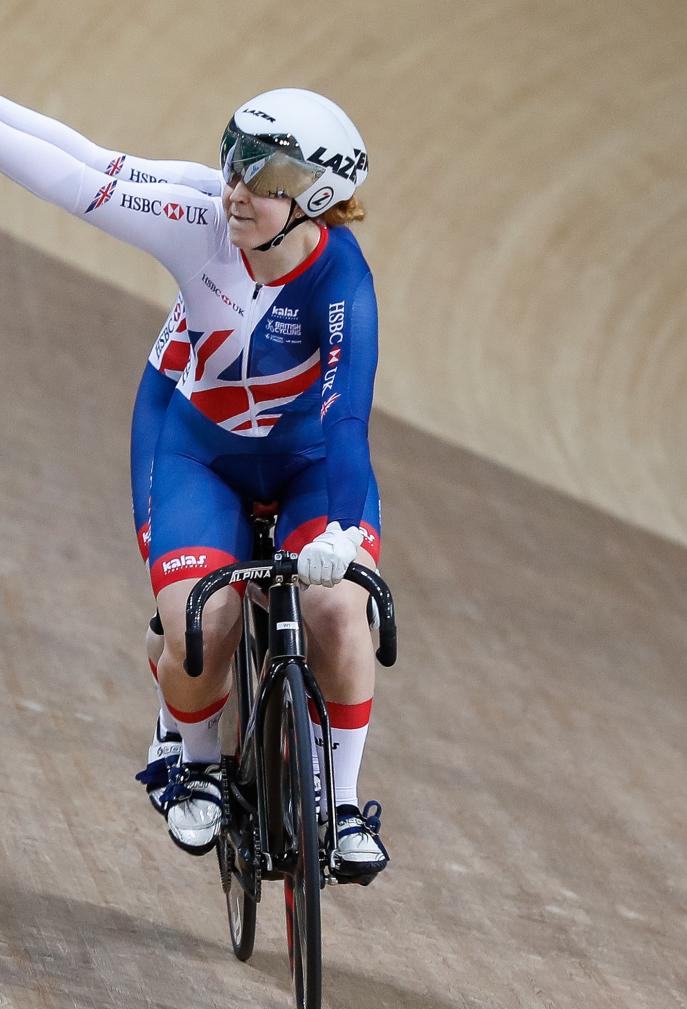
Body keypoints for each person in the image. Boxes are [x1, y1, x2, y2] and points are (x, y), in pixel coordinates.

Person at [0, 89, 389, 882]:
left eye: (265, 173)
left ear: (314, 194)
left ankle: (343, 803)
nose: (236, 187)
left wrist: (343, 535)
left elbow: (347, 421)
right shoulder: (198, 219)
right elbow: (79, 172)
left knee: (341, 612)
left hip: (308, 462)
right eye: (232, 156)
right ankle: (199, 759)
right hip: (194, 448)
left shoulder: (343, 281)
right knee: (200, 626)